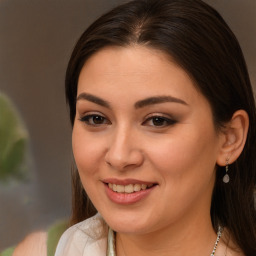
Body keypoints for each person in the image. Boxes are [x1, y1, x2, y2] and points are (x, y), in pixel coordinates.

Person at [55, 0, 256, 255]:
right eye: (96, 118)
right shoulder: (72, 246)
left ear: (230, 138)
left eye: (158, 120)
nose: (119, 156)